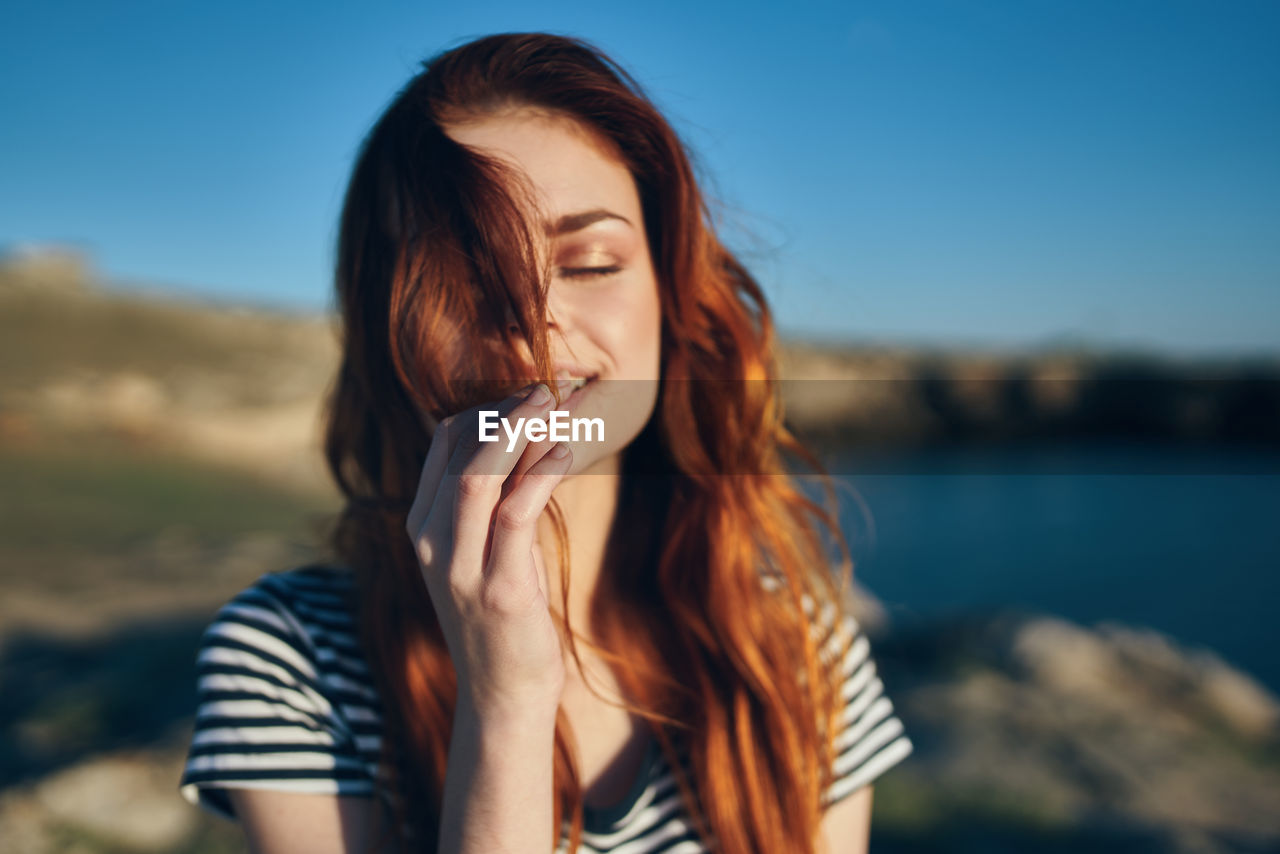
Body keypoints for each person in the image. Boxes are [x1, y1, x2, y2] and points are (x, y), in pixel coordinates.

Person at [178, 31, 913, 854]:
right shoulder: (292, 656)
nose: (534, 319)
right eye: (468, 273)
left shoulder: (789, 635)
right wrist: (507, 703)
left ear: (674, 303)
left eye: (591, 262)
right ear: (384, 324)